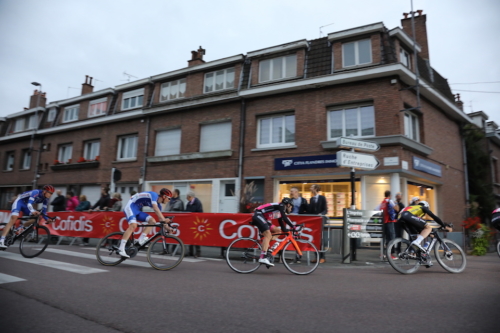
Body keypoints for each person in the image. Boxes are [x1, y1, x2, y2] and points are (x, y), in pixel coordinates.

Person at [118, 188, 173, 258]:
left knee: (152, 221)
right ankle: (121, 248)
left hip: (137, 210)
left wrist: (167, 228)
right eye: (169, 198)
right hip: (130, 206)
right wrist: (164, 219)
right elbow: (155, 209)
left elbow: (161, 219)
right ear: (164, 196)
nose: (169, 200)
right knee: (133, 226)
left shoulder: (159, 205)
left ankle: (140, 239)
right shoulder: (154, 195)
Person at [251, 198, 296, 266]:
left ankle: (266, 246)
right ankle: (262, 257)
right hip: (258, 215)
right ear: (288, 205)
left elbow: (281, 223)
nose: (291, 209)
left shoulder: (279, 210)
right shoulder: (281, 205)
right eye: (291, 207)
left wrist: (286, 230)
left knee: (278, 231)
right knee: (268, 235)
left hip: (262, 217)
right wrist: (293, 226)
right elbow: (285, 218)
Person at [375, 190, 398, 260]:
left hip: (383, 223)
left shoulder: (382, 203)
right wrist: (396, 203)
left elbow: (375, 209)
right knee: (391, 238)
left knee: (384, 238)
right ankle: (389, 255)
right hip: (389, 222)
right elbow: (397, 209)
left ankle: (382, 254)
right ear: (390, 195)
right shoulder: (390, 201)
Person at [308, 184, 327, 263]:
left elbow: (325, 209)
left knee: (320, 239)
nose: (310, 188)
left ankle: (322, 257)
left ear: (315, 189)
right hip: (314, 222)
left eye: (311, 187)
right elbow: (310, 211)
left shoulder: (322, 198)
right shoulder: (311, 199)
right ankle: (316, 256)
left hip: (320, 221)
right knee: (314, 239)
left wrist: (321, 214)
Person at [185, 191, 203, 258]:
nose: (186, 198)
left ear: (190, 197)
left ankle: (198, 252)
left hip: (196, 222)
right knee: (190, 236)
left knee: (196, 237)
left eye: (187, 197)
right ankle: (191, 251)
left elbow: (200, 212)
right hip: (190, 222)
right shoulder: (189, 203)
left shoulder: (197, 203)